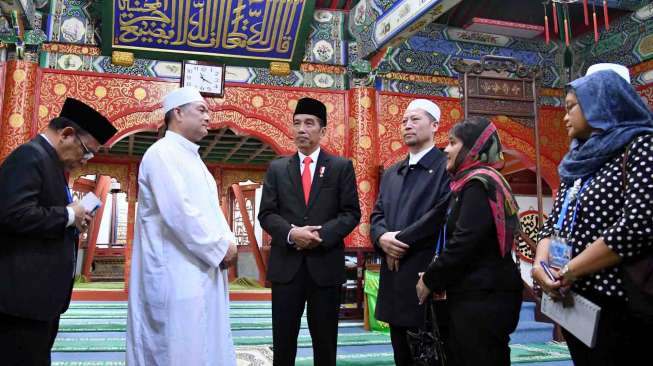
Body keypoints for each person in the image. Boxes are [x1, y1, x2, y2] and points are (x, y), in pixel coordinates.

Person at [531, 67, 653, 366]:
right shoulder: (577, 163)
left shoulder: (641, 146)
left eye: (571, 107)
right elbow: (552, 223)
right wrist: (540, 266)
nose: (564, 116)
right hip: (574, 299)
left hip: (619, 301)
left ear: (600, 103)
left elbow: (637, 226)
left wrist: (570, 270)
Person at [0, 98, 117, 365]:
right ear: (67, 134)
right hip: (20, 303)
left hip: (37, 301)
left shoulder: (50, 164)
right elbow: (12, 214)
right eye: (86, 151)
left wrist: (72, 221)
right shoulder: (30, 156)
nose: (85, 161)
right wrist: (68, 214)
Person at [126, 87, 238, 366]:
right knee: (177, 348)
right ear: (177, 113)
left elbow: (211, 211)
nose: (208, 117)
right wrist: (221, 247)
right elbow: (180, 214)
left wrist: (228, 241)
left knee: (204, 345)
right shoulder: (161, 153)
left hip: (201, 268)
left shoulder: (193, 158)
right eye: (201, 110)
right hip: (174, 274)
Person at [258, 97, 361, 366]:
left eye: (309, 123)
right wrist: (293, 234)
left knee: (325, 342)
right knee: (283, 341)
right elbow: (267, 214)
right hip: (287, 269)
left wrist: (319, 236)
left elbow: (351, 213)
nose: (301, 129)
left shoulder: (340, 167)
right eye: (296, 123)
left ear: (323, 130)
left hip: (324, 267)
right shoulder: (277, 168)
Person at [416, 116, 523, 366]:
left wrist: (430, 279)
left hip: (483, 299)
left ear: (472, 148)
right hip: (481, 294)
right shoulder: (471, 183)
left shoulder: (478, 184)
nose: (446, 149)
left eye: (453, 142)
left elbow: (464, 243)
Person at [370, 99, 450, 366]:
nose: (407, 125)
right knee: (401, 354)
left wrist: (398, 242)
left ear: (434, 125)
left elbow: (439, 214)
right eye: (404, 120)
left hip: (425, 275)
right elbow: (376, 215)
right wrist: (382, 238)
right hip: (394, 278)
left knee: (432, 353)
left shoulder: (445, 167)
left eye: (415, 119)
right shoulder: (393, 173)